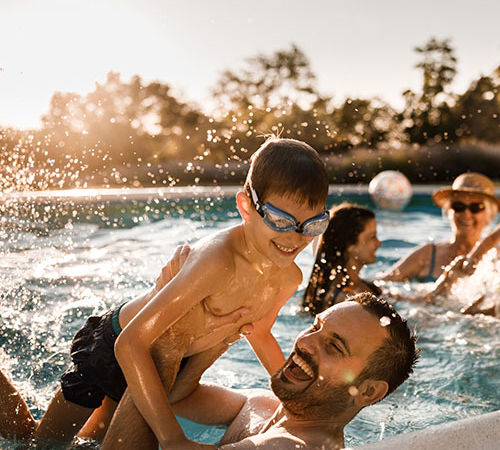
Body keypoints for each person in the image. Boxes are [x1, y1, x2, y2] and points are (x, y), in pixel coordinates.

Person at [1, 137, 330, 448]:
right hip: (110, 348)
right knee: (41, 443)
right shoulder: (219, 260)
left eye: (312, 224)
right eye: (279, 220)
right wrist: (172, 439)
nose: (295, 238)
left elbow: (259, 333)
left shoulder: (288, 278)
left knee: (88, 443)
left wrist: (300, 403)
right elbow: (131, 343)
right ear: (246, 207)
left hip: (160, 366)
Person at [101, 293, 419, 450]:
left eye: (334, 346)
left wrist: (173, 338)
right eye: (315, 327)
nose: (305, 343)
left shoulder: (292, 447)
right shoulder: (261, 404)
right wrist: (222, 335)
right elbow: (172, 399)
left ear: (368, 392)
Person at [381, 173, 500, 283]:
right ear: (449, 211)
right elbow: (381, 285)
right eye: (458, 206)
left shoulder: (497, 259)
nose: (466, 214)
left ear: (489, 214)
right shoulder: (427, 254)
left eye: (475, 207)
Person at [302, 204, 382, 315]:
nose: (379, 243)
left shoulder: (365, 285)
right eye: (372, 236)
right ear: (350, 246)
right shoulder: (343, 300)